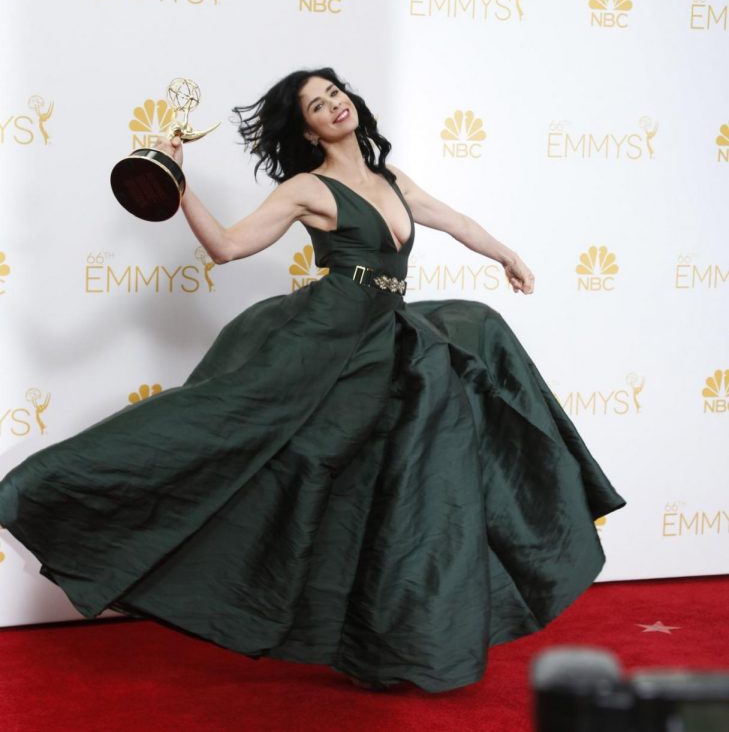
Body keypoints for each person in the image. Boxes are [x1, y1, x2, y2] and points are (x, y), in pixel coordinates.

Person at [0, 68, 625, 693]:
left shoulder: (391, 179)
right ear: (306, 127)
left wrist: (506, 255)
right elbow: (226, 246)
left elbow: (453, 220)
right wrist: (179, 186)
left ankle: (388, 631)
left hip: (386, 331)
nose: (333, 106)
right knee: (230, 431)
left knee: (466, 355)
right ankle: (42, 491)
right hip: (322, 334)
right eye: (317, 105)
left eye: (335, 94)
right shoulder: (307, 187)